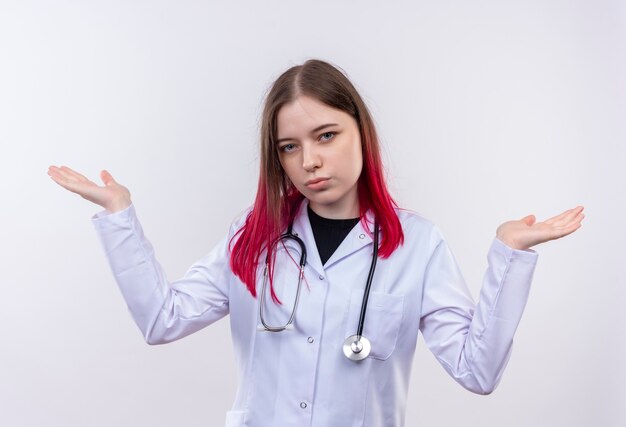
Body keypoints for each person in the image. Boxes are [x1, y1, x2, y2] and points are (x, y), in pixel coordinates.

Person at [48, 59, 585, 427]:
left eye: (326, 135)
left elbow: (477, 370)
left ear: (361, 132)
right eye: (289, 146)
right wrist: (120, 217)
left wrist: (510, 255)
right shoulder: (252, 239)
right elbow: (162, 320)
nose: (309, 161)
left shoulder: (418, 244)